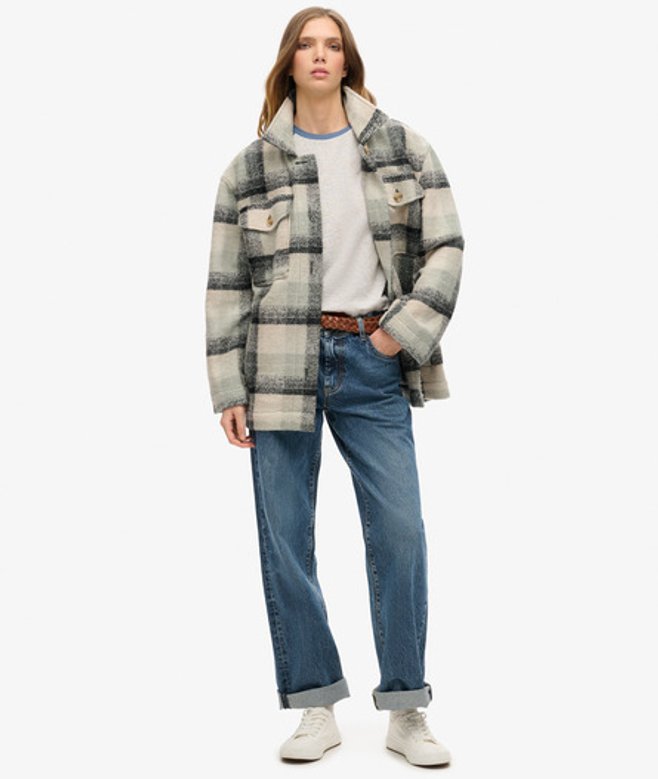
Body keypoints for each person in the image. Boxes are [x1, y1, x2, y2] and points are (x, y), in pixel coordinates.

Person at [204, 6, 464, 767]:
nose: (320, 55)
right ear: (289, 61)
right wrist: (228, 388)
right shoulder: (249, 168)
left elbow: (447, 248)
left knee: (401, 532)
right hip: (278, 364)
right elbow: (226, 286)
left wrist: (395, 333)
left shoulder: (401, 147)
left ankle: (406, 708)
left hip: (372, 358)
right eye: (306, 45)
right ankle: (314, 704)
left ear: (348, 61)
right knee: (286, 538)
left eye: (333, 45)